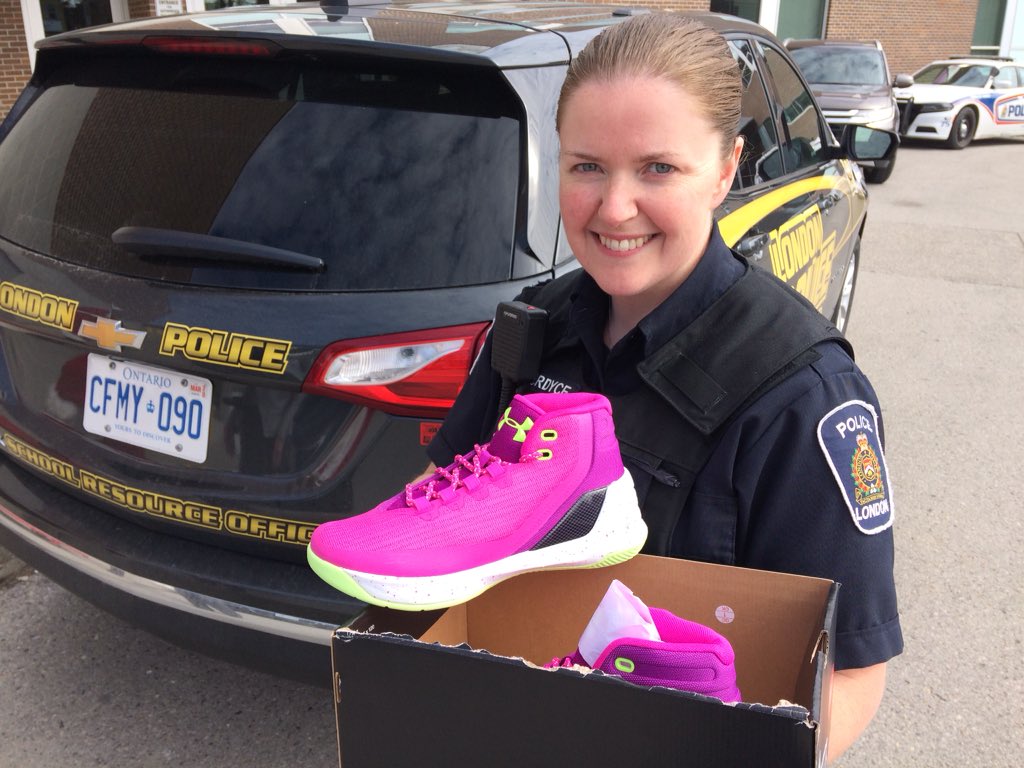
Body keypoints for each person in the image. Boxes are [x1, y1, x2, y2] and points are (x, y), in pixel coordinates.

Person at [425, 14, 901, 763]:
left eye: (658, 169)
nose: (615, 207)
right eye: (587, 166)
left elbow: (850, 670)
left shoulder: (801, 396)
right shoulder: (532, 331)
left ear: (725, 169)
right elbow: (435, 513)